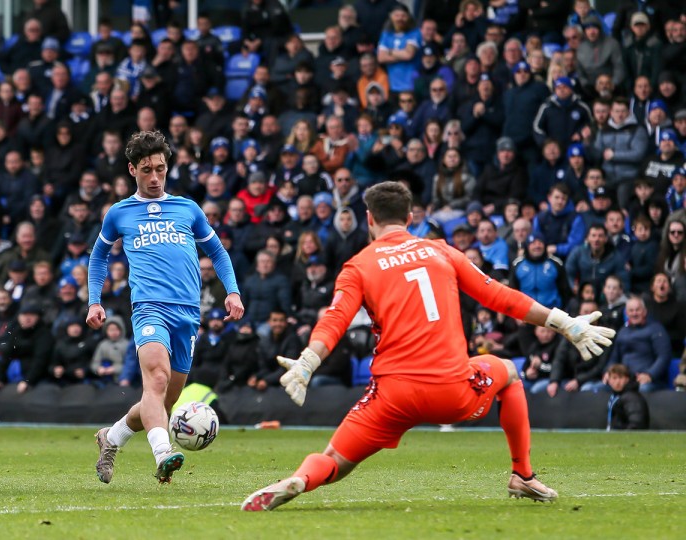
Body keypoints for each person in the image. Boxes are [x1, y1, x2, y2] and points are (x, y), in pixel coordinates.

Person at [241, 181, 616, 511]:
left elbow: (335, 319)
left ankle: (301, 480)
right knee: (509, 372)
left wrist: (308, 361)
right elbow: (500, 297)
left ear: (369, 218)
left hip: (392, 395)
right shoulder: (443, 252)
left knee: (335, 460)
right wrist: (563, 321)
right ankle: (522, 473)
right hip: (452, 391)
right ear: (410, 216)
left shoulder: (358, 265)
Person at [87, 131, 244, 484]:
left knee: (161, 402)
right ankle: (164, 454)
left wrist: (232, 291)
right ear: (132, 170)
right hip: (148, 307)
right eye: (146, 170)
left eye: (160, 168)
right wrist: (94, 300)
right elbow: (98, 257)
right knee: (155, 380)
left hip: (188, 312)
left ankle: (110, 438)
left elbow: (217, 252)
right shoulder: (119, 213)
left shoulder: (187, 208)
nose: (155, 177)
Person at [606, 364, 650, 430]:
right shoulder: (615, 396)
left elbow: (636, 425)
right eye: (614, 378)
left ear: (627, 379)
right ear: (609, 380)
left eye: (620, 378)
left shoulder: (631, 397)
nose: (617, 382)